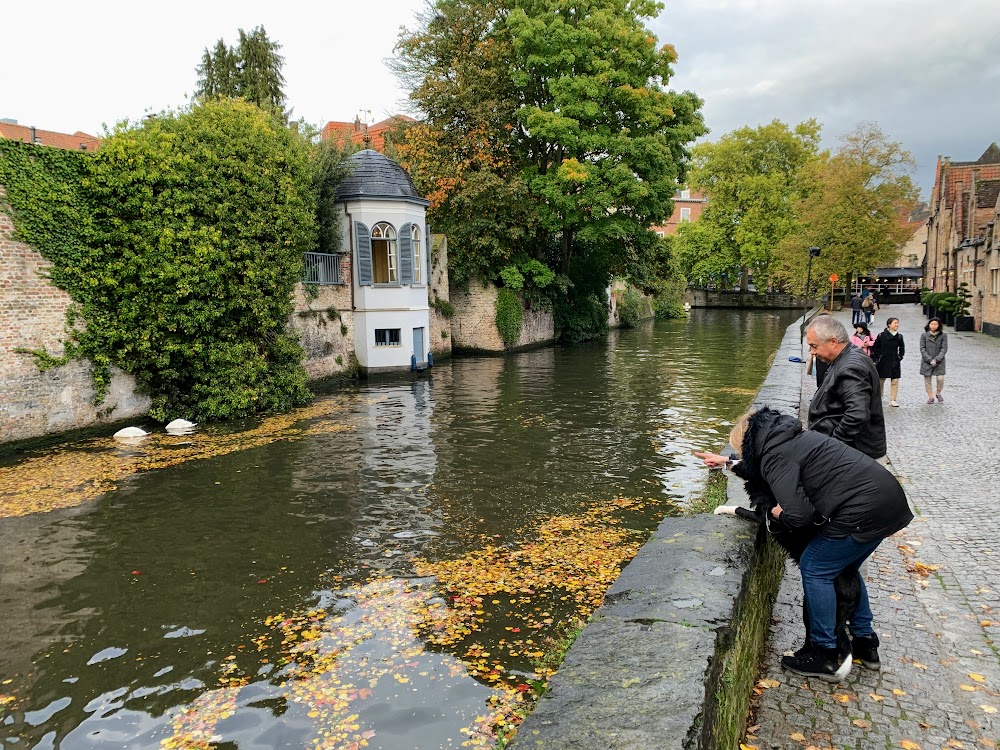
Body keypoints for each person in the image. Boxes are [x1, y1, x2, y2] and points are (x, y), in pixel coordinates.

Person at [697, 407, 913, 681]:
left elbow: (799, 516)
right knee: (845, 568)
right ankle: (865, 643)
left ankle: (822, 652)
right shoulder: (789, 438)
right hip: (888, 502)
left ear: (749, 447)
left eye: (740, 453)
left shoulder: (774, 457)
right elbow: (763, 470)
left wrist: (776, 513)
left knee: (815, 567)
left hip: (862, 511)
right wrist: (726, 462)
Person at [806, 315, 886, 459]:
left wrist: (832, 446)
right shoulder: (848, 357)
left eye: (814, 346)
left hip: (853, 457)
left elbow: (857, 415)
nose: (812, 352)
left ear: (833, 342)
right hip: (853, 453)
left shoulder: (851, 366)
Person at [871, 317, 904, 407]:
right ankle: (879, 397)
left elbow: (902, 349)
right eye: (895, 323)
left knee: (895, 380)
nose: (897, 325)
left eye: (897, 323)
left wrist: (900, 357)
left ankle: (893, 399)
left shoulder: (899, 336)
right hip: (883, 361)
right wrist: (878, 357)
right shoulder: (881, 336)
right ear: (889, 325)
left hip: (895, 361)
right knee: (881, 380)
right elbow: (875, 347)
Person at [920, 317, 948, 403]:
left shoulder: (943, 336)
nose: (933, 326)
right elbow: (922, 348)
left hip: (939, 361)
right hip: (927, 361)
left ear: (939, 325)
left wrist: (937, 359)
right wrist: (929, 359)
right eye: (931, 324)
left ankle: (938, 393)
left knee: (940, 378)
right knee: (927, 379)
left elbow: (944, 348)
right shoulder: (924, 335)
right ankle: (930, 396)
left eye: (935, 324)